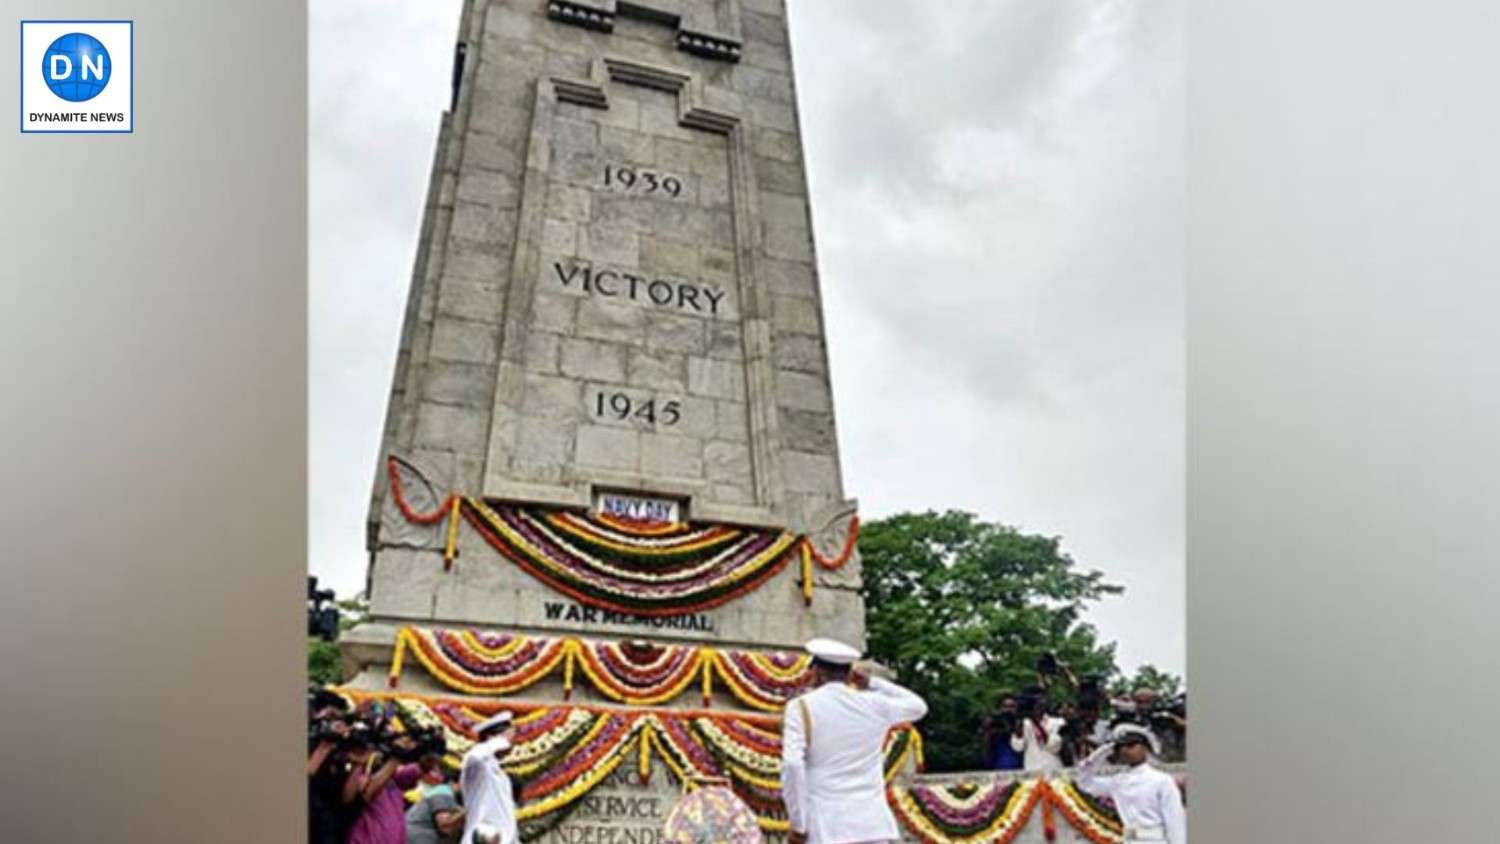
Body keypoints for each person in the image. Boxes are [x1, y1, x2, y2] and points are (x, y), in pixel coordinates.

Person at [781, 637, 929, 844]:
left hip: (827, 826)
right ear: (850, 673)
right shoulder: (873, 704)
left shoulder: (801, 707)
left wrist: (798, 824)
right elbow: (918, 706)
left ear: (817, 672)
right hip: (872, 824)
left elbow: (793, 764)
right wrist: (873, 683)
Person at [1074, 724, 1187, 844]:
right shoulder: (1118, 781)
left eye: (1131, 745)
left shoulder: (1161, 780)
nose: (1125, 750)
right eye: (1121, 747)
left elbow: (1175, 822)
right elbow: (1084, 783)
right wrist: (1101, 754)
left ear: (1145, 748)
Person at [460, 712, 518, 844]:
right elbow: (473, 757)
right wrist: (499, 741)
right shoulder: (479, 767)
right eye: (509, 737)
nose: (511, 742)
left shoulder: (497, 770)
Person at [405, 751, 465, 844]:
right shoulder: (442, 791)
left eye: (439, 770)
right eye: (433, 771)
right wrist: (467, 812)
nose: (437, 775)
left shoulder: (432, 791)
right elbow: (445, 826)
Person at [1010, 688, 1065, 772]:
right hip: (1032, 771)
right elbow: (1018, 747)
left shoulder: (1057, 722)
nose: (1038, 705)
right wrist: (1020, 719)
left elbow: (1055, 747)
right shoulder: (1024, 724)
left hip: (1054, 770)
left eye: (1040, 701)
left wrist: (1035, 721)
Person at [979, 695, 1024, 771]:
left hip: (1020, 766)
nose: (1009, 709)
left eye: (1012, 706)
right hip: (1000, 766)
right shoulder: (995, 723)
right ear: (1000, 708)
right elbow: (986, 746)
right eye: (1005, 706)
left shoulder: (1022, 723)